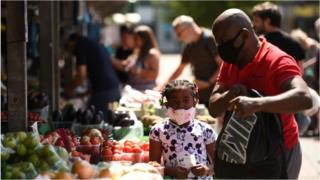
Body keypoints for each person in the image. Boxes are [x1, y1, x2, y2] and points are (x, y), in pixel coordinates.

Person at [209, 9, 312, 179]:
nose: (220, 48)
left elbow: (304, 97)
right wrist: (230, 94)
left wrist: (257, 104)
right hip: (240, 151)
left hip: (278, 152)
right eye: (217, 42)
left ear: (243, 35)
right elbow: (213, 108)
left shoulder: (277, 60)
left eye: (223, 41)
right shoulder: (231, 62)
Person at [149, 80, 216, 179]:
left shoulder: (206, 130)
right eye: (175, 101)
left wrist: (207, 170)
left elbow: (218, 165)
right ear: (167, 104)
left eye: (186, 100)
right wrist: (170, 171)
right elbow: (153, 166)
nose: (180, 105)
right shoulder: (158, 131)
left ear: (195, 101)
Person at [166, 15, 220, 107]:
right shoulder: (188, 46)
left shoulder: (209, 39)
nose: (179, 38)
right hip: (200, 94)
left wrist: (209, 82)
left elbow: (223, 65)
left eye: (179, 33)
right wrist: (166, 84)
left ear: (188, 28)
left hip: (216, 93)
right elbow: (180, 69)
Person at [64, 33, 121, 116]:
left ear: (71, 42)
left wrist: (69, 87)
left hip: (104, 92)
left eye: (67, 47)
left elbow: (81, 75)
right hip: (113, 89)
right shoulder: (93, 43)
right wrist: (85, 93)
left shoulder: (80, 44)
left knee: (96, 123)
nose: (70, 51)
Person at [251, 2, 306, 70]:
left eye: (256, 21)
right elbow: (300, 70)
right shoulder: (294, 42)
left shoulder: (259, 44)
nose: (253, 25)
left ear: (267, 21)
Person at [115, 25, 160, 91]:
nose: (134, 41)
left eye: (136, 38)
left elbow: (154, 74)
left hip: (146, 91)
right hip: (134, 90)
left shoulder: (151, 54)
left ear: (145, 39)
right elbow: (124, 65)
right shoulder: (136, 52)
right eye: (134, 38)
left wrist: (138, 71)